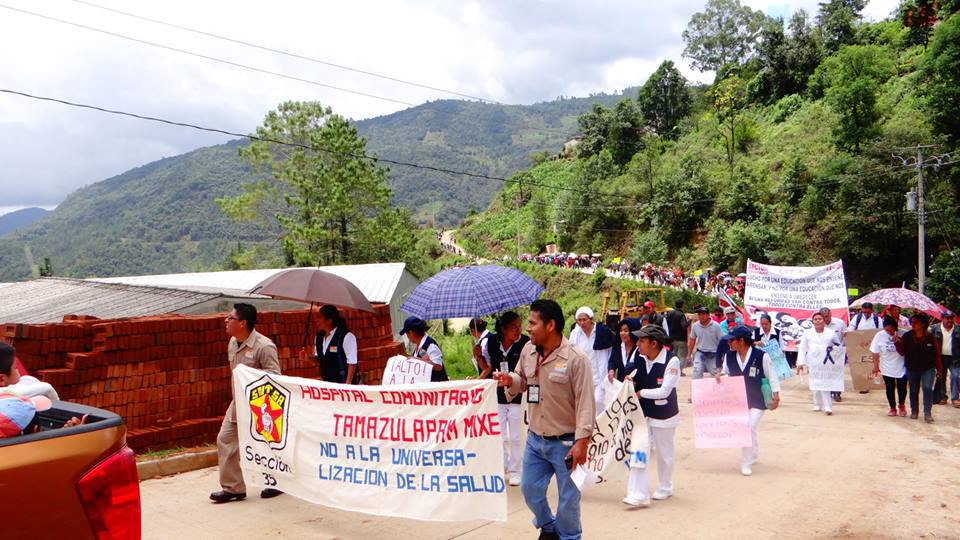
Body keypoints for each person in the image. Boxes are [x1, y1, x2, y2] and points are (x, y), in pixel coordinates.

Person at [495, 299, 595, 540]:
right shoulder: (528, 351)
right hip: (535, 439)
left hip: (566, 443)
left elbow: (586, 404)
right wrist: (510, 380)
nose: (527, 328)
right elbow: (521, 378)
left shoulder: (576, 359)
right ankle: (548, 527)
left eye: (532, 323)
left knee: (568, 499)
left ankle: (569, 536)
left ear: (550, 325)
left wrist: (582, 442)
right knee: (529, 489)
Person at [212, 303, 282, 503]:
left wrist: (252, 376)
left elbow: (275, 376)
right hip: (238, 404)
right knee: (225, 439)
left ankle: (276, 481)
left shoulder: (264, 346)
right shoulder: (233, 343)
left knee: (268, 444)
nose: (226, 320)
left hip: (262, 407)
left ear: (242, 323)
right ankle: (233, 487)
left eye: (230, 318)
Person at [623, 325, 680, 507]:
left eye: (642, 340)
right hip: (643, 415)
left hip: (664, 415)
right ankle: (637, 493)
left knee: (664, 454)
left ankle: (665, 486)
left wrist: (641, 393)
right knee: (639, 450)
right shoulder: (639, 356)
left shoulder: (672, 361)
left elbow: (664, 391)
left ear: (654, 344)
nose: (637, 344)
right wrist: (630, 380)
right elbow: (634, 374)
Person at [715, 326, 780, 476]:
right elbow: (726, 373)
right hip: (738, 400)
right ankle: (753, 452)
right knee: (750, 428)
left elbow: (772, 375)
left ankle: (746, 462)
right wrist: (720, 376)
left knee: (747, 427)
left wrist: (776, 395)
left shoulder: (761, 356)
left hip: (757, 399)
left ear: (741, 341)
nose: (729, 343)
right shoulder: (729, 356)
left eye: (731, 341)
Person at [485, 312, 529, 487]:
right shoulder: (492, 342)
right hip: (497, 395)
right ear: (503, 329)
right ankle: (501, 465)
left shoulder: (526, 343)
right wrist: (479, 356)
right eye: (513, 327)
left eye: (519, 326)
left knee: (516, 436)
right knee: (499, 435)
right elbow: (487, 367)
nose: (518, 330)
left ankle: (516, 470)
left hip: (518, 395)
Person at [569, 306, 615, 413]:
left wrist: (611, 368)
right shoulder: (575, 334)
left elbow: (611, 350)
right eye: (579, 320)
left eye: (584, 320)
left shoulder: (602, 332)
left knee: (598, 402)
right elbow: (571, 352)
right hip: (582, 375)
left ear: (591, 319)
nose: (582, 323)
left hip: (599, 375)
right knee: (584, 405)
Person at [796, 312, 842, 415]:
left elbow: (838, 345)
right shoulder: (807, 333)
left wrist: (834, 349)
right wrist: (800, 363)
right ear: (813, 321)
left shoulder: (831, 332)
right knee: (815, 383)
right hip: (813, 361)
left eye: (820, 319)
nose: (817, 321)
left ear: (823, 321)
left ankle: (828, 406)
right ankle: (817, 404)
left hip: (826, 361)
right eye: (815, 319)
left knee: (825, 383)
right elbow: (802, 348)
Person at [900, 313, 943, 423]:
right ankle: (914, 411)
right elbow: (901, 352)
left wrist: (939, 369)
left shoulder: (930, 337)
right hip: (912, 368)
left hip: (928, 368)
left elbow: (937, 354)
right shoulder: (907, 336)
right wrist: (896, 342)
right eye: (912, 322)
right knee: (914, 390)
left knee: (927, 388)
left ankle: (927, 413)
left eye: (916, 322)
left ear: (923, 324)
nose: (913, 324)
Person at [300, 305, 358, 385]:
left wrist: (347, 386)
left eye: (320, 317)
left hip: (344, 385)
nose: (316, 320)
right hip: (328, 385)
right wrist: (308, 358)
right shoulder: (318, 337)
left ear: (329, 321)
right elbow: (321, 361)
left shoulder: (346, 336)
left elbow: (352, 363)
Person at [870, 316, 907, 417]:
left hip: (902, 366)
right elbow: (874, 352)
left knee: (902, 388)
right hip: (886, 366)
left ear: (896, 327)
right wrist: (876, 366)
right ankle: (892, 407)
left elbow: (908, 350)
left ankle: (902, 405)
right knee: (889, 388)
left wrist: (899, 342)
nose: (890, 332)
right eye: (887, 330)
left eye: (892, 330)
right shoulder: (879, 336)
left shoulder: (904, 334)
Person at [399, 316, 449, 382]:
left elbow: (438, 366)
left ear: (411, 333)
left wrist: (417, 360)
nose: (407, 337)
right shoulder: (419, 345)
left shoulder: (430, 345)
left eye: (407, 334)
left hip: (437, 386)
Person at [687, 306, 724, 383]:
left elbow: (722, 341)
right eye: (699, 314)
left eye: (703, 314)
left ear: (708, 315)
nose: (701, 316)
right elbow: (692, 340)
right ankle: (697, 389)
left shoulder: (716, 326)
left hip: (713, 354)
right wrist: (689, 354)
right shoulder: (695, 326)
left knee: (716, 374)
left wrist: (722, 355)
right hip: (700, 353)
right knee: (697, 373)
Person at [931, 311, 959, 408]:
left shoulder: (958, 329)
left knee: (955, 376)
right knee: (941, 377)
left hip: (954, 358)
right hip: (940, 358)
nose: (950, 320)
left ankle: (955, 398)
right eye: (947, 318)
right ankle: (942, 397)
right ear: (942, 319)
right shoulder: (935, 329)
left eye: (951, 318)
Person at [819, 307, 847, 401]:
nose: (825, 319)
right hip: (823, 352)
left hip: (838, 352)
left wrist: (843, 350)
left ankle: (837, 393)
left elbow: (845, 336)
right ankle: (828, 392)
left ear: (830, 314)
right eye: (823, 317)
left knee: (837, 374)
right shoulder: (818, 325)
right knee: (826, 374)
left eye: (827, 316)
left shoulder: (840, 323)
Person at [608, 318, 642, 382]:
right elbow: (612, 360)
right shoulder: (617, 346)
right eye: (621, 331)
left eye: (626, 331)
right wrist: (611, 370)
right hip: (621, 383)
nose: (622, 333)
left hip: (636, 383)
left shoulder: (640, 348)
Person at [664, 300, 689, 368]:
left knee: (673, 356)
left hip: (671, 338)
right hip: (681, 339)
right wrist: (689, 321)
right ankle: (679, 370)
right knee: (682, 356)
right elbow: (684, 326)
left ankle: (672, 369)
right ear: (682, 305)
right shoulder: (681, 315)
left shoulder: (669, 313)